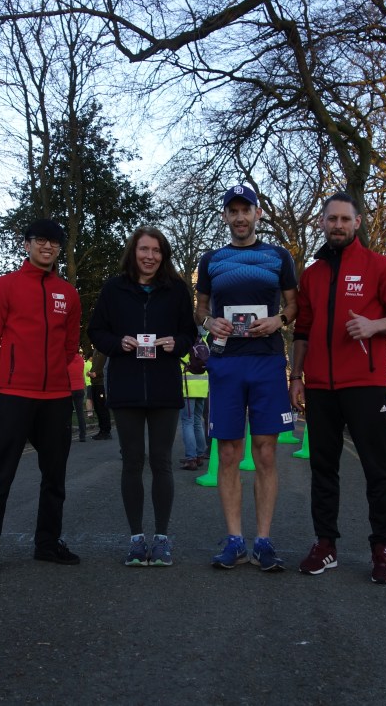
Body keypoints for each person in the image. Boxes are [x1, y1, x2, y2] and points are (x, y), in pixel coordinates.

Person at [289, 192, 386, 583]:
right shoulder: (311, 274)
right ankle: (325, 544)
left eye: (345, 219)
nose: (339, 225)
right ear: (323, 223)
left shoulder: (381, 267)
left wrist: (376, 325)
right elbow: (303, 330)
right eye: (332, 219)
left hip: (365, 384)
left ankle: (382, 548)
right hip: (320, 389)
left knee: (377, 469)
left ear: (357, 222)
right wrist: (296, 377)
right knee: (322, 468)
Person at [196, 184, 297, 572]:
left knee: (267, 452)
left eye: (246, 210)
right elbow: (200, 308)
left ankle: (264, 540)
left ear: (257, 214)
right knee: (228, 453)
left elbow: (293, 303)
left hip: (267, 361)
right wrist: (208, 321)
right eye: (232, 211)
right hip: (226, 363)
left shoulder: (278, 256)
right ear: (225, 216)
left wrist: (279, 319)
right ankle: (235, 539)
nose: (239, 217)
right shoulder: (212, 259)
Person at [0, 219, 82, 577]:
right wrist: (9, 374)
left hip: (56, 397)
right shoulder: (5, 287)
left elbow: (69, 345)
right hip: (15, 395)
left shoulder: (69, 292)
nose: (47, 247)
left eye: (54, 242)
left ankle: (47, 544)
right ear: (27, 245)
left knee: (55, 477)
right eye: (40, 241)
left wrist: (54, 374)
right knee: (0, 477)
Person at [89, 226, 197, 567]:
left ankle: (162, 538)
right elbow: (96, 330)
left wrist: (175, 344)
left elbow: (189, 333)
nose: (149, 256)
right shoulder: (114, 288)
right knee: (133, 462)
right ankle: (136, 539)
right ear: (133, 253)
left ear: (163, 255)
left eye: (156, 250)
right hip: (126, 386)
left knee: (162, 462)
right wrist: (116, 343)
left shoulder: (177, 289)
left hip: (164, 386)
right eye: (143, 249)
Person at [179, 346, 209, 471]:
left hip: (188, 387)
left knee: (187, 422)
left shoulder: (184, 345)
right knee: (197, 422)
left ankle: (191, 458)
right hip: (202, 386)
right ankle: (200, 455)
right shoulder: (203, 342)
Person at [88, 348, 112, 440]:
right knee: (97, 408)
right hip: (94, 383)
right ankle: (102, 430)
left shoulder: (105, 350)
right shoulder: (95, 350)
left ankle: (106, 431)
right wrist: (90, 372)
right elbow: (95, 366)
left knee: (102, 408)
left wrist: (97, 374)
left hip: (101, 383)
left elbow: (106, 367)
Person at [68, 354, 88, 441]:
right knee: (80, 413)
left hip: (69, 389)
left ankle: (67, 435)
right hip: (80, 388)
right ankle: (82, 435)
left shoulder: (67, 358)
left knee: (67, 413)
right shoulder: (80, 359)